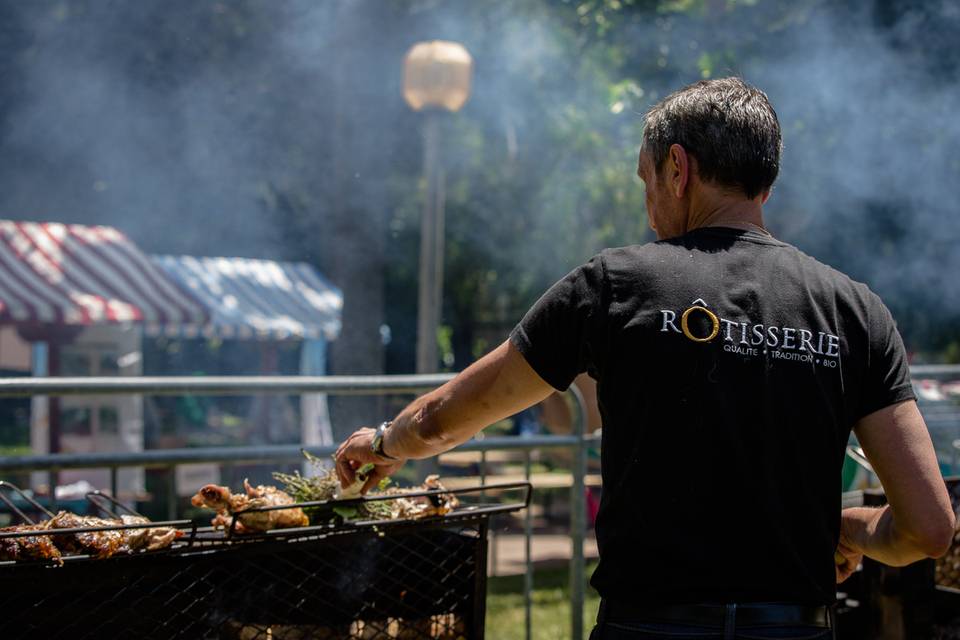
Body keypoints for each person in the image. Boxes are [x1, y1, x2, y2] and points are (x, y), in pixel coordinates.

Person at [335, 77, 956, 639]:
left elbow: (445, 418)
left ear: (677, 169)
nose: (648, 205)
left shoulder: (613, 285)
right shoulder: (856, 311)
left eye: (646, 180)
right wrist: (856, 530)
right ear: (764, 181)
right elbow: (929, 529)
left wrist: (386, 443)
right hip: (796, 631)